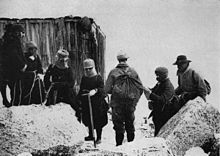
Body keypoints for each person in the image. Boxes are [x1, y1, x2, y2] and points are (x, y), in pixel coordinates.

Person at [105, 52, 143, 146]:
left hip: (117, 103)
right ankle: (131, 147)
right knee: (130, 124)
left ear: (118, 60)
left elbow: (107, 89)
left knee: (118, 126)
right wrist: (134, 99)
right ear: (126, 60)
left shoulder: (113, 72)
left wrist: (116, 92)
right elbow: (140, 87)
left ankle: (119, 146)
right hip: (130, 103)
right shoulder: (133, 72)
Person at [77, 58, 108, 145]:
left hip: (97, 103)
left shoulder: (98, 78)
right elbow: (81, 89)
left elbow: (102, 89)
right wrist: (79, 97)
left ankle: (98, 137)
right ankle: (91, 135)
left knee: (98, 121)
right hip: (87, 102)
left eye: (90, 68)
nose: (88, 70)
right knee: (89, 120)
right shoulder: (84, 78)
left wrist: (95, 90)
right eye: (86, 69)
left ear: (93, 68)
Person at [0, 23, 27, 107]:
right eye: (21, 32)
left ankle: (6, 100)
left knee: (3, 84)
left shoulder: (4, 39)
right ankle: (14, 102)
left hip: (3, 66)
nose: (22, 34)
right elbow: (15, 54)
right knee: (13, 85)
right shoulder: (14, 40)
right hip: (11, 67)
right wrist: (22, 64)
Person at [144, 67, 175, 136]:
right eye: (156, 75)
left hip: (164, 115)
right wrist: (148, 90)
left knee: (160, 133)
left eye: (158, 75)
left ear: (164, 75)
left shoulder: (168, 86)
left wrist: (150, 94)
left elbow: (163, 100)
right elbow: (154, 91)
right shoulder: (160, 83)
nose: (157, 77)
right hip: (158, 113)